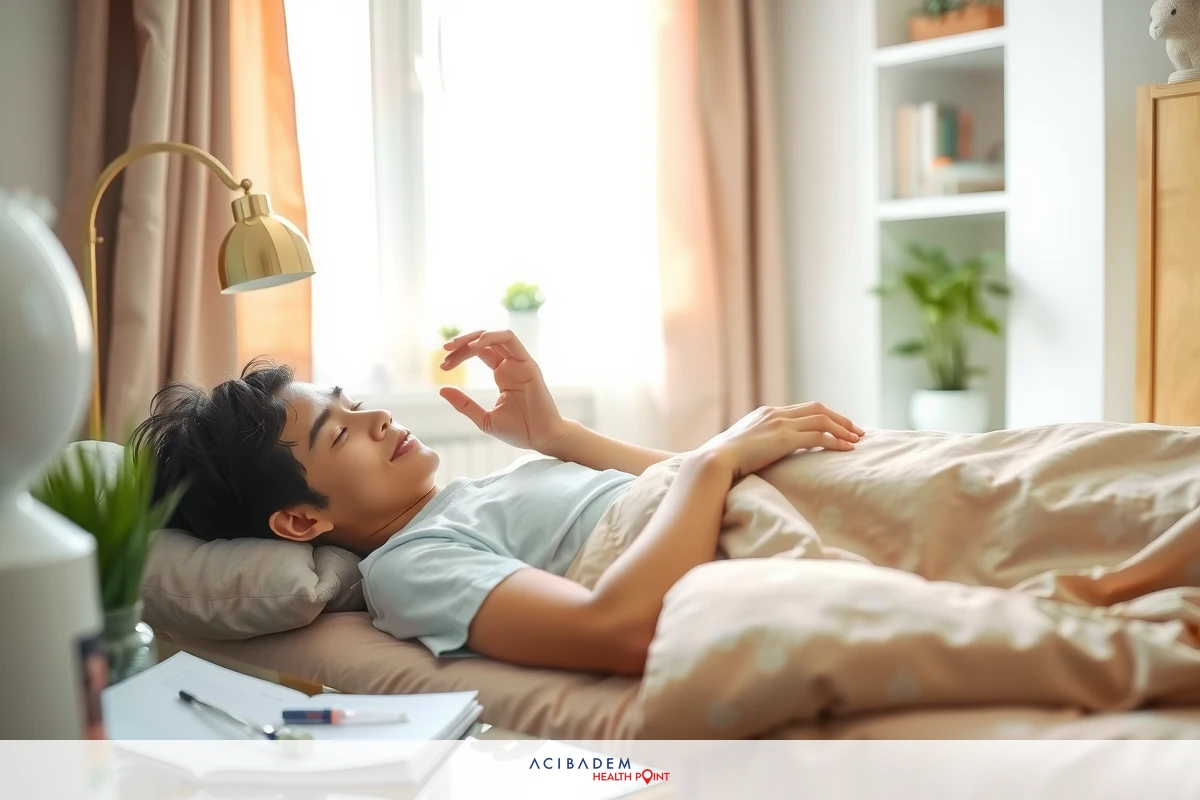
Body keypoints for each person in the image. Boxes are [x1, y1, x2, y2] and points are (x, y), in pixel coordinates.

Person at [133, 329, 863, 675]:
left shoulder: (473, 496)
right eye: (341, 431)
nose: (378, 419)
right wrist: (715, 459)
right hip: (767, 530)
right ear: (301, 520)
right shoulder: (410, 567)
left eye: (356, 403)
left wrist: (557, 435)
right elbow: (615, 631)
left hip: (787, 490)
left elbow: (673, 482)